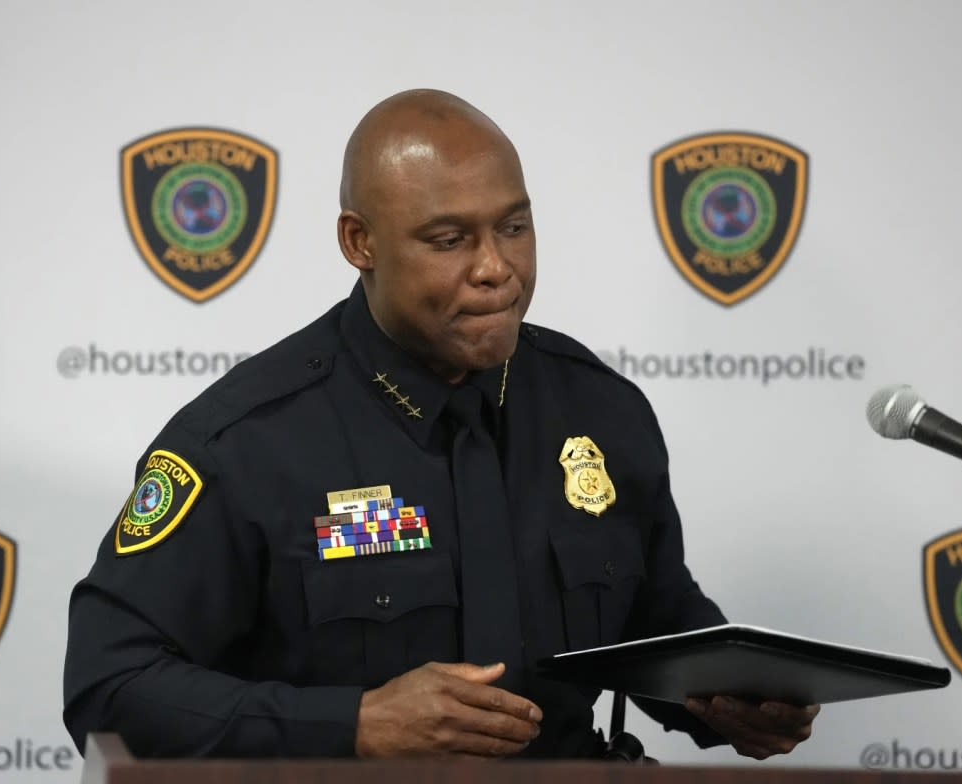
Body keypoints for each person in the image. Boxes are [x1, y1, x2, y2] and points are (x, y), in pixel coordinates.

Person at [63, 89, 819, 760]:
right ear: (360, 243)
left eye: (514, 227)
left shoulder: (599, 409)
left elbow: (653, 620)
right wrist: (353, 724)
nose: (497, 268)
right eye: (450, 240)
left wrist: (728, 700)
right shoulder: (245, 443)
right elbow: (110, 683)